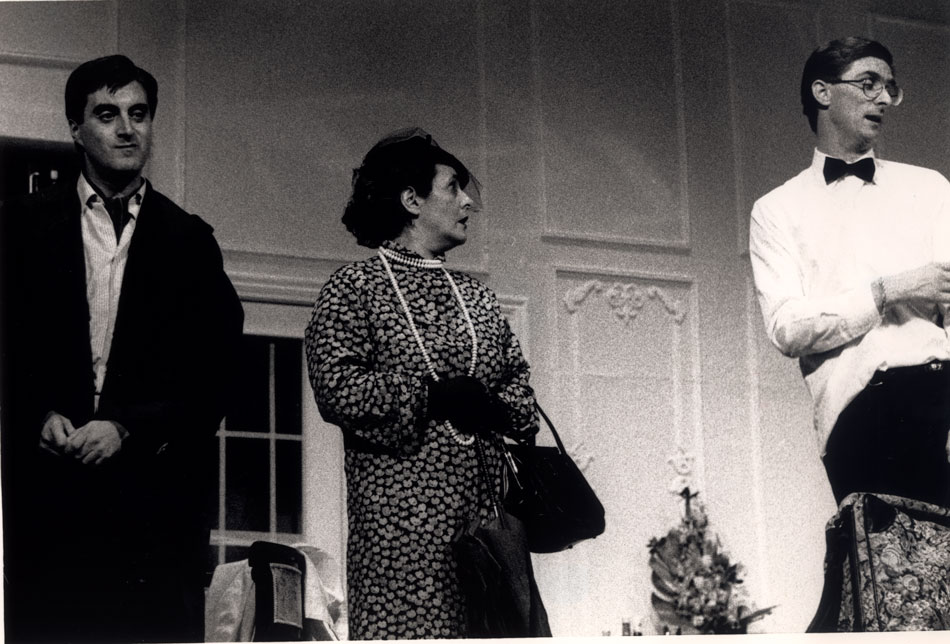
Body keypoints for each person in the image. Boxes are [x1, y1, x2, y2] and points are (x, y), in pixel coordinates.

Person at [0, 54, 244, 642]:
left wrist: (128, 427)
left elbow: (217, 373)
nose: (127, 129)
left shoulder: (188, 240)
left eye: (139, 114)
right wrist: (34, 416)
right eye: (107, 115)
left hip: (152, 515)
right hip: (42, 509)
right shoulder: (19, 226)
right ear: (75, 128)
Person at [305, 128, 548, 638]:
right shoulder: (354, 288)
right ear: (411, 200)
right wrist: (431, 395)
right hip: (400, 547)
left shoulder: (478, 297)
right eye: (453, 188)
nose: (467, 202)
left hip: (487, 541)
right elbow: (338, 388)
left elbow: (523, 398)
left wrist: (494, 406)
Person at [749, 37, 950, 508]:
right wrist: (886, 291)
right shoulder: (777, 210)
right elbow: (787, 328)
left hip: (939, 396)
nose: (883, 99)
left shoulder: (930, 187)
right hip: (857, 419)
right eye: (868, 83)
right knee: (875, 555)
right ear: (822, 92)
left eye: (889, 87)